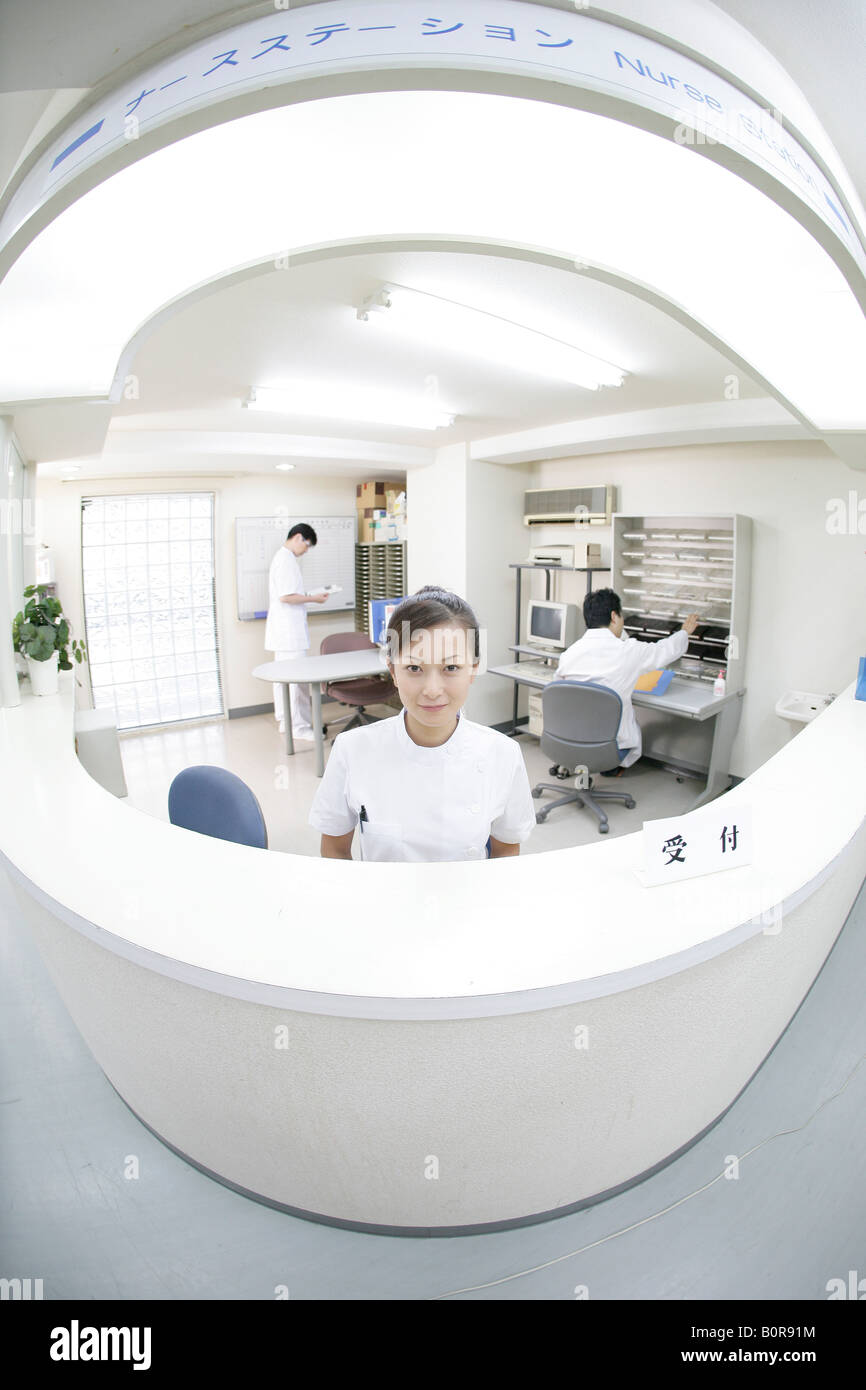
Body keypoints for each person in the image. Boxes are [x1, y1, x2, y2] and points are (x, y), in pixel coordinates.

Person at [309, 586, 536, 861]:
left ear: (473, 669)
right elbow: (334, 849)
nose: (432, 689)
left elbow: (507, 850)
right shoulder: (352, 750)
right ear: (393, 671)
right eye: (414, 668)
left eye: (450, 668)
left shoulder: (503, 754)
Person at [555, 588, 699, 771]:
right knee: (628, 727)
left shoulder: (568, 655)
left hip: (568, 741)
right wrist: (684, 632)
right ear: (614, 616)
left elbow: (558, 694)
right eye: (621, 617)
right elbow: (664, 650)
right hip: (608, 746)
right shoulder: (629, 651)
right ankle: (611, 767)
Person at [264, 524, 327, 741]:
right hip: (289, 634)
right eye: (307, 545)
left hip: (285, 633)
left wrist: (308, 594)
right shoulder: (286, 560)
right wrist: (314, 598)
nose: (306, 550)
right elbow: (287, 596)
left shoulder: (282, 559)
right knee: (296, 682)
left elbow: (290, 594)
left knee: (283, 681)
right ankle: (299, 727)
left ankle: (286, 722)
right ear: (298, 537)